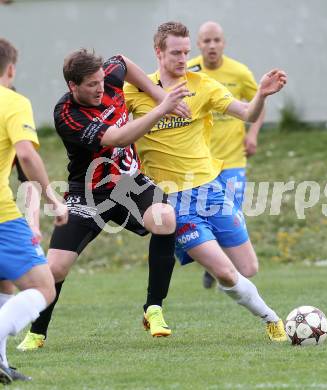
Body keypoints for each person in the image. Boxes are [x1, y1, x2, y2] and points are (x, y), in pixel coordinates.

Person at [17, 49, 191, 351]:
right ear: (73, 86)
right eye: (91, 85)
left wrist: (154, 91)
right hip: (88, 191)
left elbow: (122, 61)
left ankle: (154, 309)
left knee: (164, 217)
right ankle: (37, 333)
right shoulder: (67, 114)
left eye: (101, 81)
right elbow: (117, 138)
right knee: (55, 268)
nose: (101, 88)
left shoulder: (108, 76)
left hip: (128, 181)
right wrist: (162, 107)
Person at [124, 21, 288, 341]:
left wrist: (262, 96)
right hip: (172, 200)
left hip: (210, 190)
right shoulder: (137, 91)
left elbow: (246, 113)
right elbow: (114, 67)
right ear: (158, 52)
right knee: (225, 271)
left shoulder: (204, 85)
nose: (183, 58)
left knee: (248, 267)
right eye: (175, 53)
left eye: (187, 52)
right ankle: (272, 320)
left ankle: (207, 261)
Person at [0, 37, 68, 384]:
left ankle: (0, 363)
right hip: (0, 215)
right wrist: (53, 200)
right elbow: (25, 155)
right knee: (43, 288)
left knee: (5, 285)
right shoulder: (12, 101)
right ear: (10, 69)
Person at [187, 21, 264, 289]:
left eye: (216, 40)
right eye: (206, 41)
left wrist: (252, 135)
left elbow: (258, 104)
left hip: (232, 160)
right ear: (198, 44)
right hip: (200, 163)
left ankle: (225, 270)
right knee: (202, 215)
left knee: (230, 214)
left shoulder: (240, 72)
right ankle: (216, 264)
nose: (211, 45)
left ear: (224, 43)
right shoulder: (189, 71)